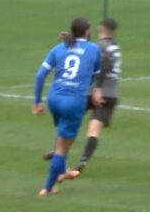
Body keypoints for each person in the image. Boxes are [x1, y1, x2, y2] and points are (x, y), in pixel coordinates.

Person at [33, 17, 102, 196]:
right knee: (62, 148)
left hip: (54, 99)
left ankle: (62, 173)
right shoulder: (94, 49)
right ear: (87, 31)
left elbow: (40, 76)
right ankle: (48, 187)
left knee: (61, 138)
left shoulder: (59, 48)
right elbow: (96, 76)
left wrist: (37, 102)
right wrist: (95, 91)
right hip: (74, 102)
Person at [49, 18, 122, 178]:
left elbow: (85, 49)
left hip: (95, 91)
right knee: (94, 130)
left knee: (69, 115)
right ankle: (83, 160)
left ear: (100, 29)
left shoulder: (99, 47)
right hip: (112, 93)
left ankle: (58, 150)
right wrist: (69, 37)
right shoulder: (114, 46)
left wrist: (97, 88)